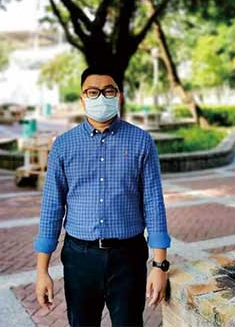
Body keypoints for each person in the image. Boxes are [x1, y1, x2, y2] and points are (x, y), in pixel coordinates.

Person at [33, 64, 171, 327]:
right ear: (82, 98)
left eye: (108, 91)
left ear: (119, 95)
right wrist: (42, 271)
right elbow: (52, 207)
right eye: (92, 92)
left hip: (128, 256)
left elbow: (153, 202)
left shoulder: (141, 141)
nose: (100, 97)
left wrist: (159, 265)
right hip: (79, 258)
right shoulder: (64, 145)